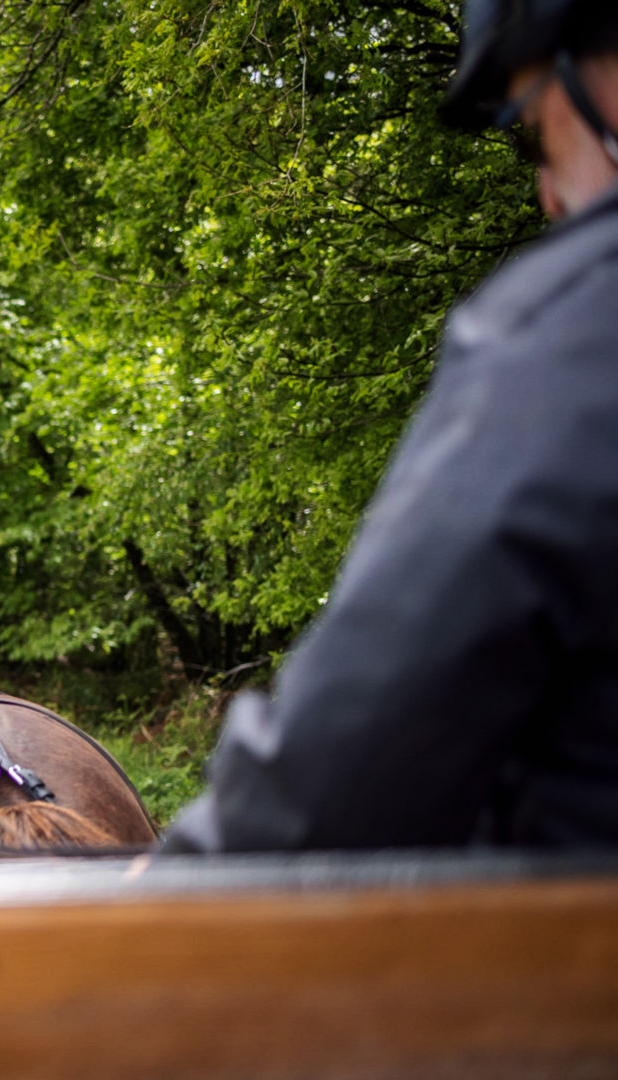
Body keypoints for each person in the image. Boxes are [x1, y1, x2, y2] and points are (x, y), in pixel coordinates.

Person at [160, 0, 618, 852]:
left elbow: (323, 797)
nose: (548, 195)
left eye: (530, 136)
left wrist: (162, 897)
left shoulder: (563, 338)